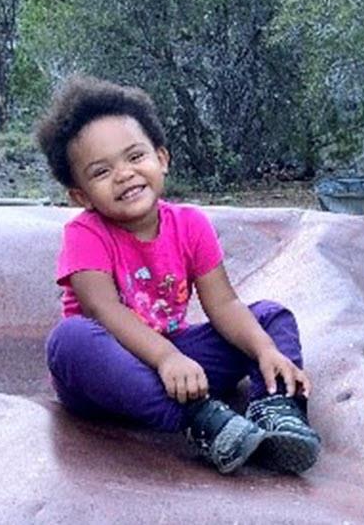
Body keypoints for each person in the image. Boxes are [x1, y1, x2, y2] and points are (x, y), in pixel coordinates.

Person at [38, 76, 321, 475]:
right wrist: (167, 358)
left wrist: (263, 350)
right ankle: (202, 421)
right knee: (69, 341)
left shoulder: (190, 224)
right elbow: (103, 311)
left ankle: (277, 408)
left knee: (269, 319)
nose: (124, 174)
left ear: (162, 159)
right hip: (112, 372)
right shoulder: (84, 234)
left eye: (135, 157)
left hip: (179, 361)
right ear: (81, 195)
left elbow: (223, 304)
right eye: (101, 172)